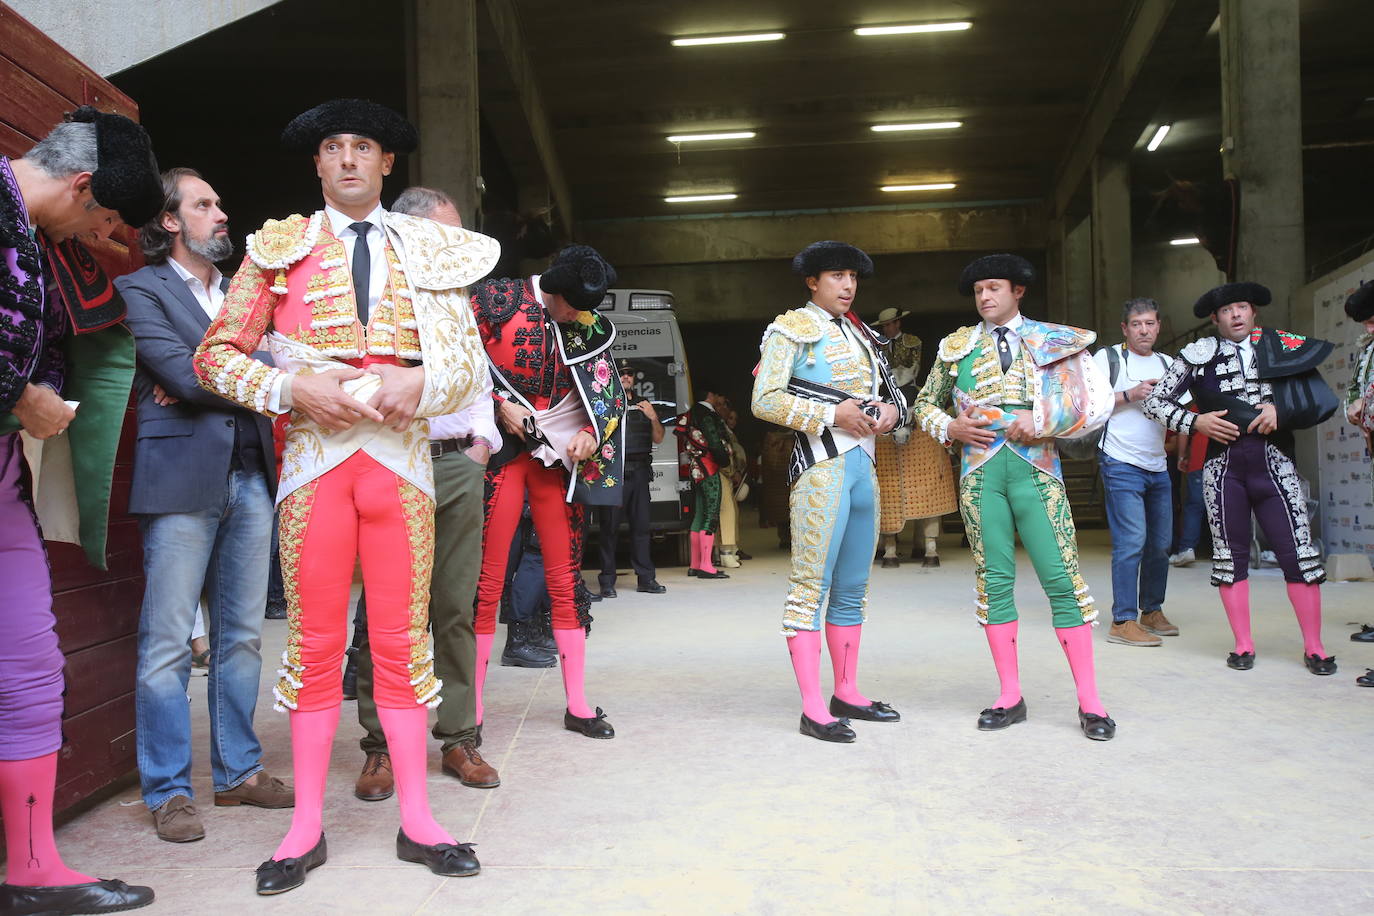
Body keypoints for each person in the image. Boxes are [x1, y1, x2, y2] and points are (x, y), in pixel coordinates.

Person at [193, 99, 499, 894]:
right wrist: (290, 384)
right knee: (316, 645)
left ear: (387, 163)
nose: (350, 160)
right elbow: (215, 356)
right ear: (318, 165)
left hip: (399, 466)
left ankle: (419, 821)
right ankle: (305, 829)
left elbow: (469, 367)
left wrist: (421, 380)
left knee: (402, 642)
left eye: (364, 147)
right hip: (315, 467)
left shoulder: (430, 247)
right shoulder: (277, 248)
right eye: (334, 149)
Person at [2, 106, 162, 916]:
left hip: (0, 486)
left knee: (31, 664)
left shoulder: (41, 241)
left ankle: (30, 868)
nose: (100, 234)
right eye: (102, 217)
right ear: (81, 183)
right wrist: (21, 392)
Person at [117, 167, 291, 843]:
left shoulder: (249, 295)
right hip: (182, 479)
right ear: (169, 221)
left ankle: (238, 773)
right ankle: (166, 789)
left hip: (251, 475)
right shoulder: (140, 288)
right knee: (167, 643)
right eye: (205, 205)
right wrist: (267, 370)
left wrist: (236, 370)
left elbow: (212, 373)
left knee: (243, 636)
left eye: (219, 202)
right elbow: (185, 376)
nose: (222, 214)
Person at [912, 253, 1116, 741]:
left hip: (1037, 469)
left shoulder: (1053, 339)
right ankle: (1009, 696)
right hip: (979, 473)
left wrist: (1043, 422)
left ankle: (1091, 702)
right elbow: (923, 403)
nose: (985, 297)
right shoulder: (955, 348)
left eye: (994, 288)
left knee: (1062, 578)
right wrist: (951, 425)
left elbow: (1089, 402)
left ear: (1017, 291)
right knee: (993, 581)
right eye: (979, 290)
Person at [349, 187, 502, 803]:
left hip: (457, 464)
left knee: (454, 606)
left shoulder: (455, 298)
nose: (456, 247)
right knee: (385, 612)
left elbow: (478, 377)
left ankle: (459, 736)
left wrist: (481, 444)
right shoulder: (369, 293)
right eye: (446, 234)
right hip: (391, 461)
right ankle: (379, 746)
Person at [469, 245, 626, 739]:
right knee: (485, 578)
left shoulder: (589, 322)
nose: (580, 316)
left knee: (564, 576)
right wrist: (497, 406)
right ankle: (468, 711)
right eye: (573, 306)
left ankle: (577, 704)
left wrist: (592, 432)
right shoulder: (493, 298)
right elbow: (450, 364)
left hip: (557, 461)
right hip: (498, 454)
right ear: (552, 289)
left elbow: (609, 395)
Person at [1142, 282, 1339, 676]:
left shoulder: (1282, 346)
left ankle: (1315, 647)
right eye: (1228, 310)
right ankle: (1243, 644)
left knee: (1298, 554)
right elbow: (1153, 401)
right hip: (1222, 470)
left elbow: (1321, 400)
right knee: (1230, 559)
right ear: (1215, 318)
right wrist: (1196, 421)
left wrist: (1280, 412)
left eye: (1242, 307)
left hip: (1275, 462)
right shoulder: (1198, 356)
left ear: (1253, 312)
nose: (1236, 315)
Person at [752, 240, 906, 743]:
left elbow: (888, 393)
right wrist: (830, 413)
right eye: (837, 276)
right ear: (812, 282)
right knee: (809, 588)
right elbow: (764, 400)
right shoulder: (790, 329)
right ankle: (813, 706)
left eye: (853, 277)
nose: (848, 285)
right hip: (821, 466)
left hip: (864, 466)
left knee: (852, 588)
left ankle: (846, 690)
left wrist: (889, 412)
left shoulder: (861, 333)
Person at [1093, 298, 1183, 647]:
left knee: (1160, 545)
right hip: (1119, 461)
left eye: (1149, 323)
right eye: (1136, 324)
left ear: (1159, 326)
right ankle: (1123, 620)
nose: (1143, 330)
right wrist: (1130, 393)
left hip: (1157, 464)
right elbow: (1087, 403)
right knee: (1132, 542)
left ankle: (1152, 611)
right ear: (1125, 328)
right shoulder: (1108, 359)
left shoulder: (1169, 364)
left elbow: (1180, 411)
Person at [869, 307, 957, 568]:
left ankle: (948, 448)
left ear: (897, 323)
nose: (886, 329)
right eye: (883, 326)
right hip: (886, 393)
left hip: (907, 388)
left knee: (925, 411)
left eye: (889, 325)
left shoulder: (912, 341)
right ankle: (893, 546)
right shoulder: (876, 344)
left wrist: (899, 386)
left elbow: (910, 368)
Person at [597, 359, 666, 596]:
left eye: (629, 373)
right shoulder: (607, 403)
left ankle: (646, 579)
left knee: (641, 529)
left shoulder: (645, 405)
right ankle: (607, 582)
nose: (626, 376)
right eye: (622, 373)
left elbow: (658, 438)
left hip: (638, 473)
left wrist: (653, 416)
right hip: (614, 474)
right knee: (609, 529)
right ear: (615, 376)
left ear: (634, 378)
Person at [1342, 280, 1374, 664]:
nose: (1367, 329)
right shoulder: (1367, 350)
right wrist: (1355, 410)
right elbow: (1355, 389)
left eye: (1371, 320)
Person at [683, 380, 732, 578]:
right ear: (710, 395)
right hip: (709, 466)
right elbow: (713, 440)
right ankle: (706, 566)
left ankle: (695, 565)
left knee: (699, 513)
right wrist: (724, 459)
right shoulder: (708, 414)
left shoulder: (692, 412)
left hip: (696, 468)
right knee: (711, 514)